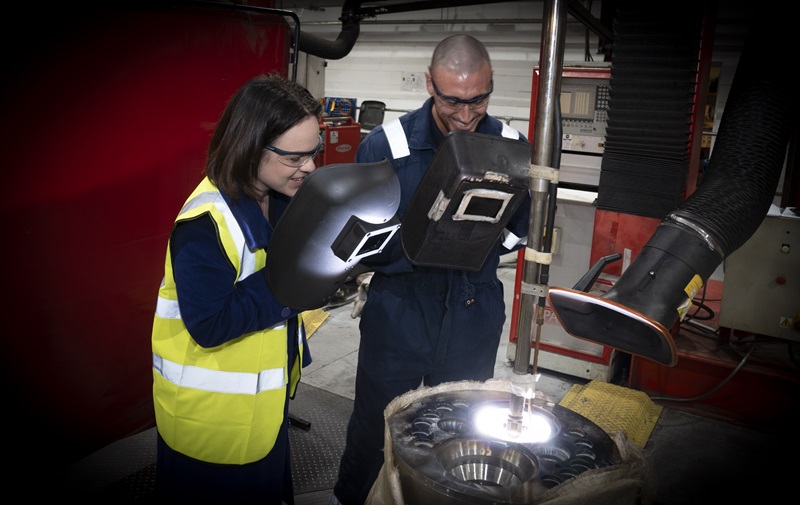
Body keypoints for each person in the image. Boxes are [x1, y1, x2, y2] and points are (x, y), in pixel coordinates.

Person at [330, 34, 531, 505]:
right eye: (452, 101)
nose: (465, 114)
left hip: (472, 303)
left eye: (478, 99)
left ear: (491, 85)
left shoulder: (511, 146)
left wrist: (479, 247)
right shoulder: (387, 145)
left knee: (460, 424)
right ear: (429, 85)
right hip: (399, 305)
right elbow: (361, 235)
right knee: (376, 422)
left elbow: (524, 227)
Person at [151, 73, 323, 505]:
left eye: (313, 152)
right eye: (295, 157)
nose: (310, 167)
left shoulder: (281, 197)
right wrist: (291, 280)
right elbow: (209, 325)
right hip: (213, 424)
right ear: (251, 146)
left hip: (263, 412)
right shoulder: (203, 225)